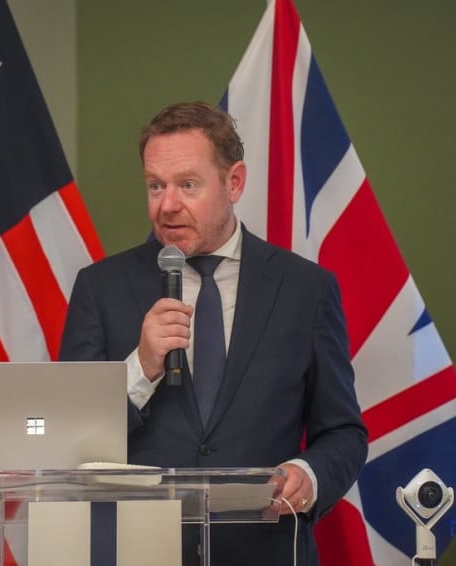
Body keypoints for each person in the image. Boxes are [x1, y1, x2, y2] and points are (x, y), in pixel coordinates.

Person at [60, 101, 367, 565]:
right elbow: (69, 436)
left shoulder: (305, 289)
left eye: (188, 185)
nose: (167, 205)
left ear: (234, 182)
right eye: (155, 185)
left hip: (264, 551)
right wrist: (141, 367)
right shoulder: (101, 288)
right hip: (135, 550)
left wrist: (308, 473)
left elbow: (343, 431)